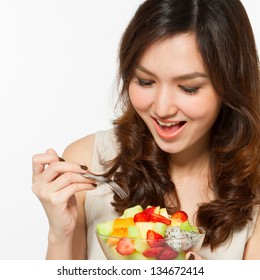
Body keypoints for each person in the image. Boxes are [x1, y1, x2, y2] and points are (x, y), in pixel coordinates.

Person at [32, 0, 260, 260]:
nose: (162, 108)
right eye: (145, 81)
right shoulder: (89, 162)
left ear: (231, 85)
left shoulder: (254, 188)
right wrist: (60, 233)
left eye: (188, 88)